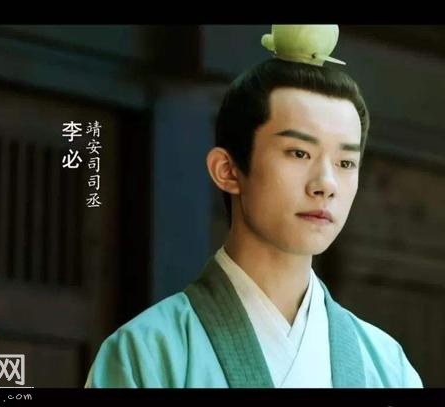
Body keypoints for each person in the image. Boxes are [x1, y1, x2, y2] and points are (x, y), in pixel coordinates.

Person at [85, 25, 423, 388]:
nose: (326, 184)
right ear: (228, 170)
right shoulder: (148, 352)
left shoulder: (387, 366)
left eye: (345, 162)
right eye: (299, 153)